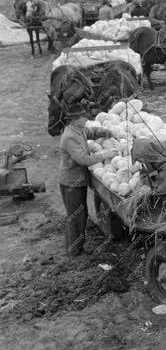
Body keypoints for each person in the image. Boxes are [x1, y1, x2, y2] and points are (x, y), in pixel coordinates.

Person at [59, 104, 119, 255]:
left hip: (78, 180)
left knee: (82, 213)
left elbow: (91, 132)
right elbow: (83, 159)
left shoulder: (79, 130)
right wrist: (105, 154)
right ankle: (74, 251)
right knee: (76, 216)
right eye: (83, 116)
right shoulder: (69, 137)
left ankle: (76, 246)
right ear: (75, 119)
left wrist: (108, 132)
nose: (86, 118)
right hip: (71, 182)